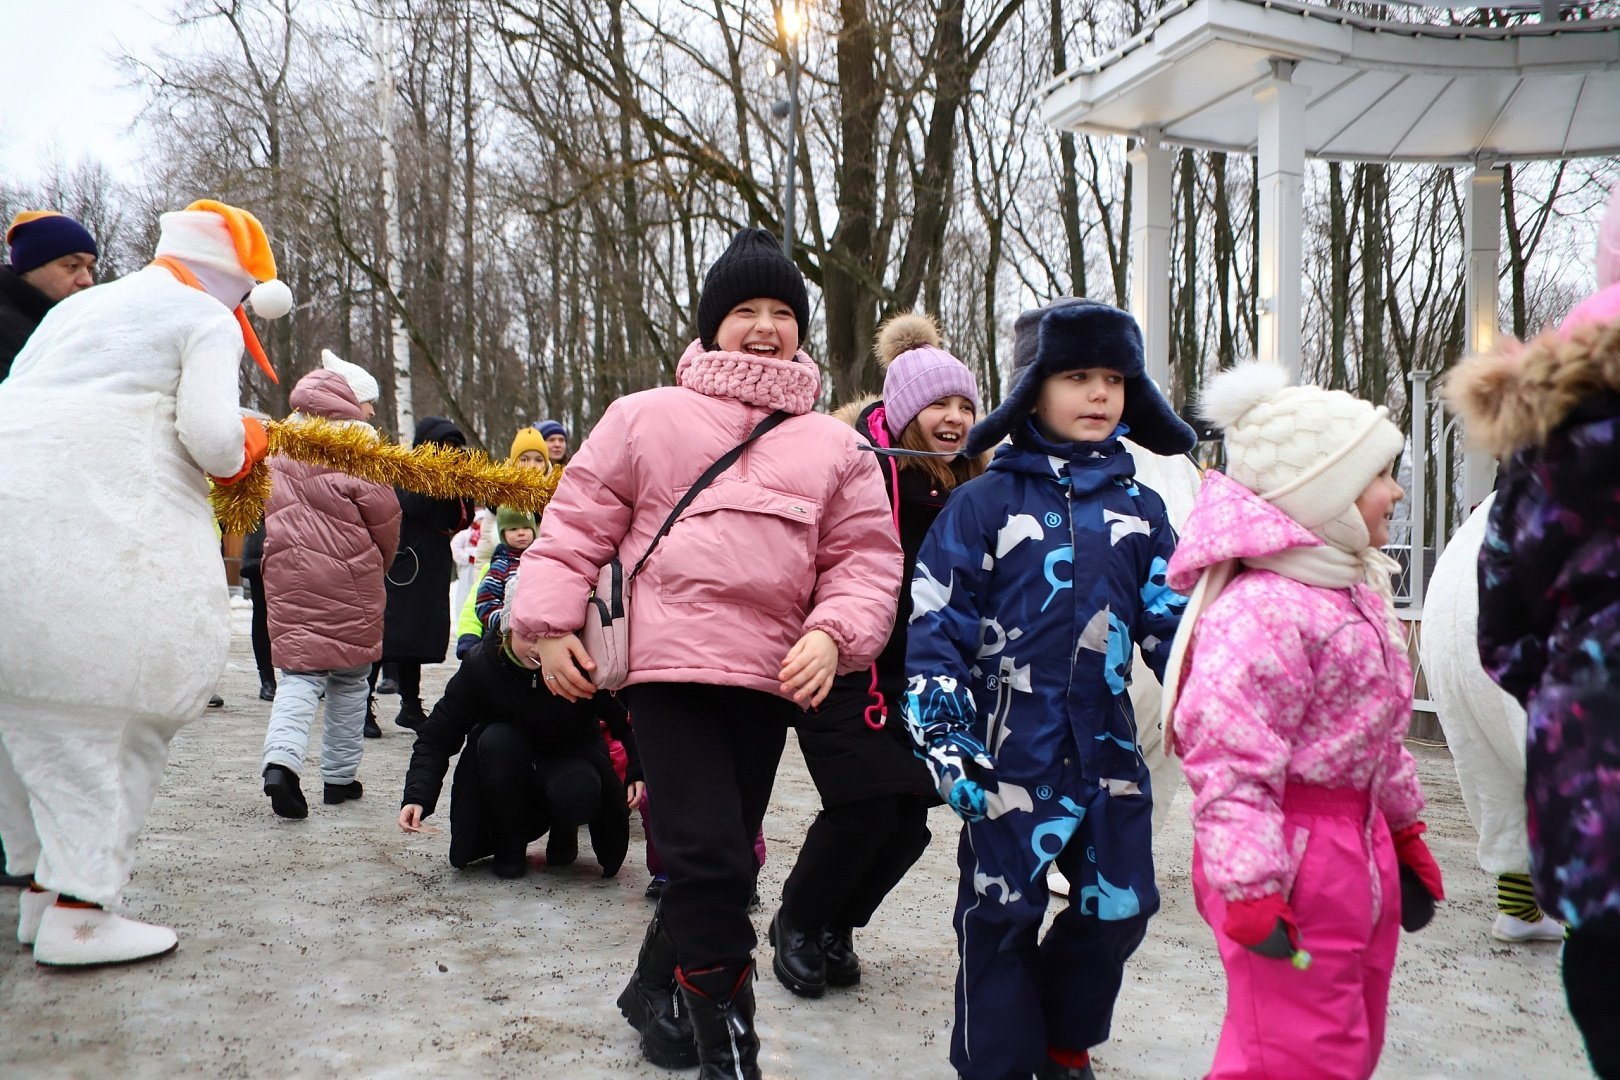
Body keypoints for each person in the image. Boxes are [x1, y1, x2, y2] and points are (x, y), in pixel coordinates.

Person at [509, 227, 902, 1078]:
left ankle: (656, 991)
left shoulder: (838, 448)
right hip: (670, 676)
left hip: (767, 680)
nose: (765, 327)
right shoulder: (645, 417)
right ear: (710, 325)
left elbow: (865, 561)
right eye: (744, 311)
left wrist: (834, 635)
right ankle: (731, 1043)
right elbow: (573, 528)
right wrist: (543, 629)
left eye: (782, 313)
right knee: (711, 861)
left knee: (712, 853)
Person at [905, 297, 1195, 1080]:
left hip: (1106, 752)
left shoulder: (1144, 510)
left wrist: (1218, 708)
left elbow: (1175, 627)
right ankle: (996, 1064)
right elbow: (935, 631)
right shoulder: (983, 505)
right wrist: (949, 745)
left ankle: (1064, 1039)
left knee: (1122, 905)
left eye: (1114, 377)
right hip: (1007, 757)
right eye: (1077, 376)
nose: (1099, 394)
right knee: (1000, 918)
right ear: (1033, 389)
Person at [0, 199, 290, 965]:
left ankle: (38, 891)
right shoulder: (203, 319)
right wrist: (251, 440)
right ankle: (80, 912)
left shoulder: (77, 313)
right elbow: (212, 439)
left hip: (11, 553)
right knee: (109, 728)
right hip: (100, 566)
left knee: (25, 732)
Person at [1163, 362, 1443, 1080]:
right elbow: (1228, 758)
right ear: (1326, 495)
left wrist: (1404, 831)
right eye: (1380, 476)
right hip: (1290, 859)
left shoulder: (1353, 593)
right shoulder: (1264, 610)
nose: (1396, 492)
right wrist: (1252, 885)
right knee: (1291, 1054)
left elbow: (1381, 738)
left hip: (1360, 849)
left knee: (1348, 1040)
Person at [1448, 187, 1620, 1078]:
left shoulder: (1541, 463)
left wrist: (1567, 697)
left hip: (1590, 780)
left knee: (1602, 964)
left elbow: (1499, 623)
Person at [771, 312, 986, 1000]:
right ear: (903, 409)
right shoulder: (859, 466)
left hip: (919, 678)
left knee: (906, 824)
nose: (952, 418)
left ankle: (838, 924)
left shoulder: (969, 482)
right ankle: (796, 923)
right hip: (840, 660)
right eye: (938, 403)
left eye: (964, 405)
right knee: (863, 807)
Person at [1419, 494, 1564, 943]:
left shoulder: (1496, 510)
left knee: (1498, 780)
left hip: (1462, 627)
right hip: (1526, 649)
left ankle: (1518, 904)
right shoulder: (1573, 488)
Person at [259, 364, 400, 819]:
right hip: (349, 578)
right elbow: (386, 520)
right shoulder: (356, 452)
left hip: (285, 575)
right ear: (345, 402)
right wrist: (381, 565)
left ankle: (281, 763)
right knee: (351, 680)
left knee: (299, 677)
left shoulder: (279, 448)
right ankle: (339, 780)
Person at [399, 622, 643, 880]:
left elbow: (627, 723)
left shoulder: (583, 664)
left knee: (577, 791)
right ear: (508, 630)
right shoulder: (482, 665)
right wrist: (418, 795)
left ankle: (565, 826)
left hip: (569, 755)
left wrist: (637, 771)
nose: (539, 648)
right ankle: (509, 842)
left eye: (550, 637)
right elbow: (438, 734)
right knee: (496, 740)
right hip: (506, 762)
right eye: (528, 636)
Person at [377, 417, 473, 730]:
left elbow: (462, 518)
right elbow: (414, 505)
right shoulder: (407, 469)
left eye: (454, 447)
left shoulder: (450, 476)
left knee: (415, 639)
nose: (449, 453)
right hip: (405, 563)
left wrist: (463, 483)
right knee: (390, 636)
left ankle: (410, 705)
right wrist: (440, 476)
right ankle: (364, 706)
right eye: (444, 446)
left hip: (431, 565)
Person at [0, 210, 97, 380]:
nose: (87, 280)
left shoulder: (74, 324)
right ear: (29, 268)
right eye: (72, 266)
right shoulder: (6, 332)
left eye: (90, 269)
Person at [238, 522, 277, 702]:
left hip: (298, 545)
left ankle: (305, 674)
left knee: (302, 613)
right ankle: (267, 678)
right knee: (262, 613)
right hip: (261, 545)